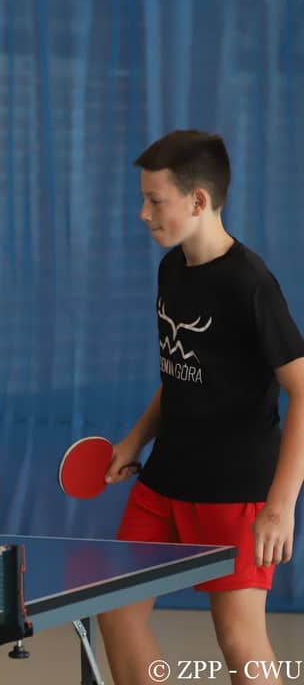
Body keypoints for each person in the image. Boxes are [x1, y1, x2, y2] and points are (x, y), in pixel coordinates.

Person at [98, 130, 304, 685]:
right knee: (115, 609)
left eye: (154, 200)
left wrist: (280, 505)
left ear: (197, 200)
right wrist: (135, 441)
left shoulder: (251, 283)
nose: (143, 214)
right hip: (164, 479)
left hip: (235, 489)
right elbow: (181, 371)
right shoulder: (171, 269)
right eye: (142, 199)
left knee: (238, 638)